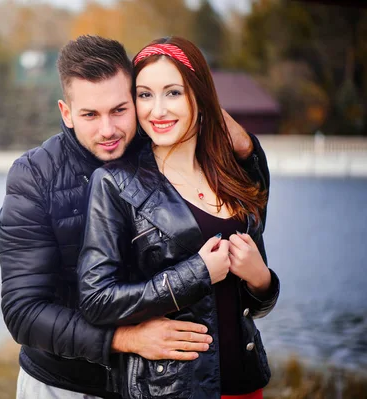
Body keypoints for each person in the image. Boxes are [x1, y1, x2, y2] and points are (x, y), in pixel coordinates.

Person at [0, 35, 270, 399]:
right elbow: (23, 312)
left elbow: (243, 181)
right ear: (66, 112)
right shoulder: (35, 175)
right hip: (63, 382)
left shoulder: (156, 144)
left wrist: (234, 132)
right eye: (90, 115)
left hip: (149, 382)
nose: (108, 130)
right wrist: (126, 339)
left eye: (119, 110)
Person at [77, 36, 279, 399]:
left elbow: (257, 304)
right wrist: (197, 273)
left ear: (198, 97)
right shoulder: (116, 184)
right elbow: (96, 299)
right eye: (144, 95)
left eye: (173, 92)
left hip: (247, 383)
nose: (158, 110)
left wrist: (262, 279)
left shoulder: (232, 174)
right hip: (168, 389)